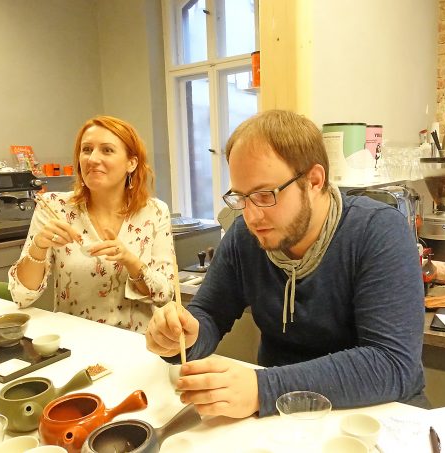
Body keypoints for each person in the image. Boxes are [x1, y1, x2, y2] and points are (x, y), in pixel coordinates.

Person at [145, 110, 425, 418]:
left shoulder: (378, 231)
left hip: (376, 416)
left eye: (265, 195)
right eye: (241, 198)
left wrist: (263, 388)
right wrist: (186, 335)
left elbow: (392, 363)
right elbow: (209, 314)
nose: (251, 216)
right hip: (283, 416)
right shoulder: (244, 237)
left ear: (314, 181)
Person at [9, 116, 175, 332]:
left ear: (131, 163)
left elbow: (165, 294)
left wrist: (130, 261)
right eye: (86, 150)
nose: (93, 159)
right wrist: (38, 246)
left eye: (107, 150)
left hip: (136, 343)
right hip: (76, 342)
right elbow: (21, 296)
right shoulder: (54, 207)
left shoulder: (154, 211)